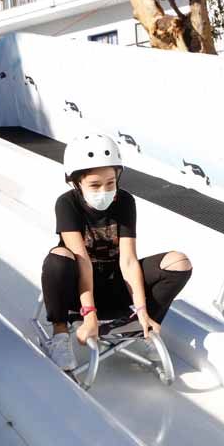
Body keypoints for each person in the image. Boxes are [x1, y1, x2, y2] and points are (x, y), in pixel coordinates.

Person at [40, 133, 192, 370]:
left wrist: (142, 309)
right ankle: (60, 335)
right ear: (76, 182)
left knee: (178, 263)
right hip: (78, 290)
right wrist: (89, 314)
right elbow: (82, 262)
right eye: (95, 185)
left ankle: (138, 324)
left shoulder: (124, 202)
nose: (104, 191)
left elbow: (129, 260)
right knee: (59, 258)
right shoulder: (66, 204)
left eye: (110, 183)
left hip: (114, 287)